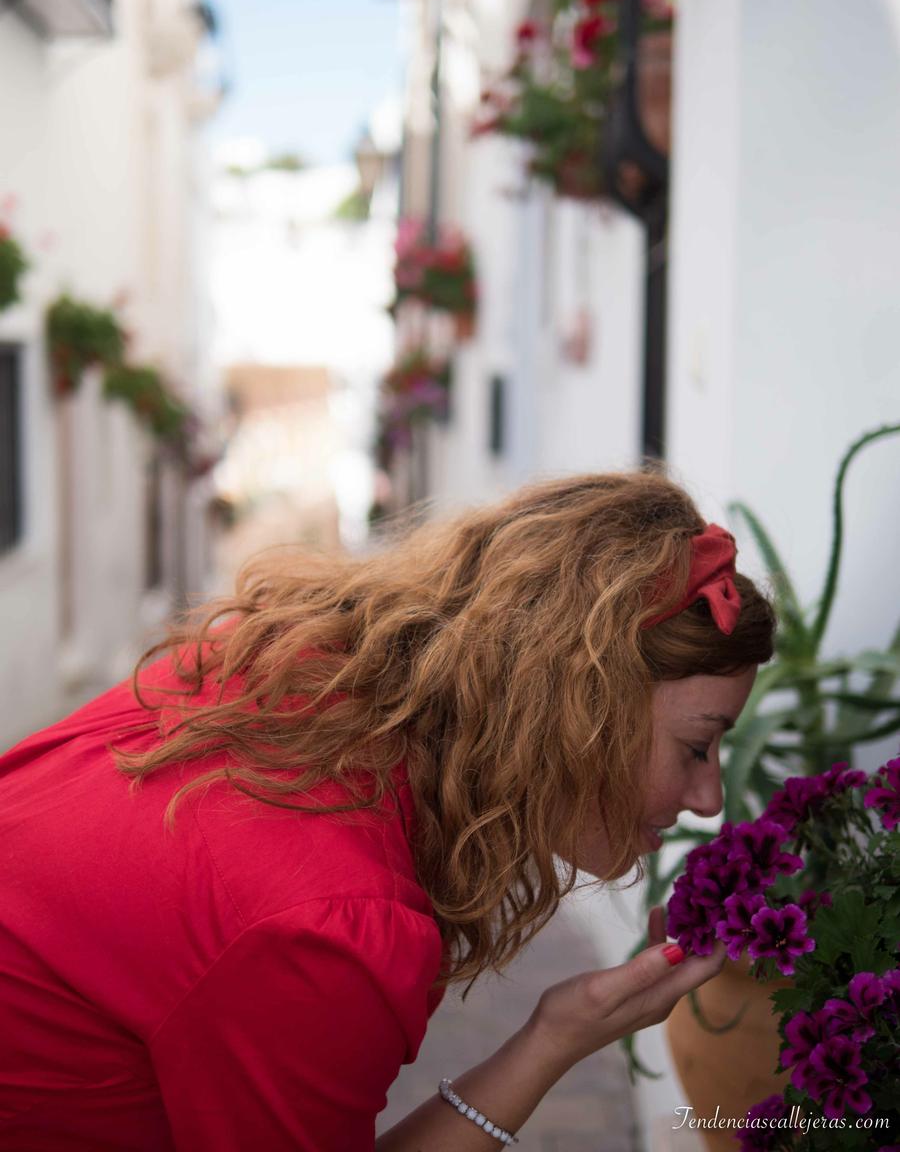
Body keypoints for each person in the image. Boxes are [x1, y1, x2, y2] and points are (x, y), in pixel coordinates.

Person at [0, 471, 774, 1151]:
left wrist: (562, 1030)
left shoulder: (282, 665)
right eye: (696, 747)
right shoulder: (328, 922)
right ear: (580, 708)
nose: (709, 799)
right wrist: (550, 1045)